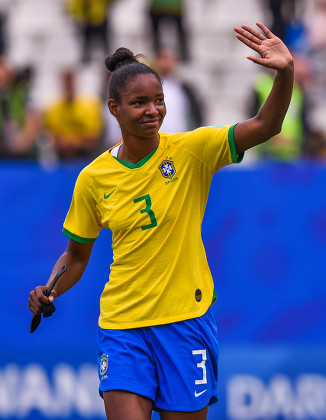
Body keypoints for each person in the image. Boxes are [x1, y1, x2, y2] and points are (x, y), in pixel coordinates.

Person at [29, 22, 294, 420]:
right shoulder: (93, 178)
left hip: (185, 323)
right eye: (139, 103)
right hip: (122, 324)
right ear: (114, 108)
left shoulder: (192, 151)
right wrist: (49, 289)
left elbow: (266, 126)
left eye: (158, 100)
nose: (153, 110)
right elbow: (76, 256)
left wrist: (285, 72)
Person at [42, 68, 104, 160]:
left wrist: (71, 142)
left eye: (70, 80)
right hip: (61, 155)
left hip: (85, 154)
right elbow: (50, 135)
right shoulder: (52, 108)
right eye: (66, 81)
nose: (68, 84)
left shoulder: (90, 105)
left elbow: (94, 135)